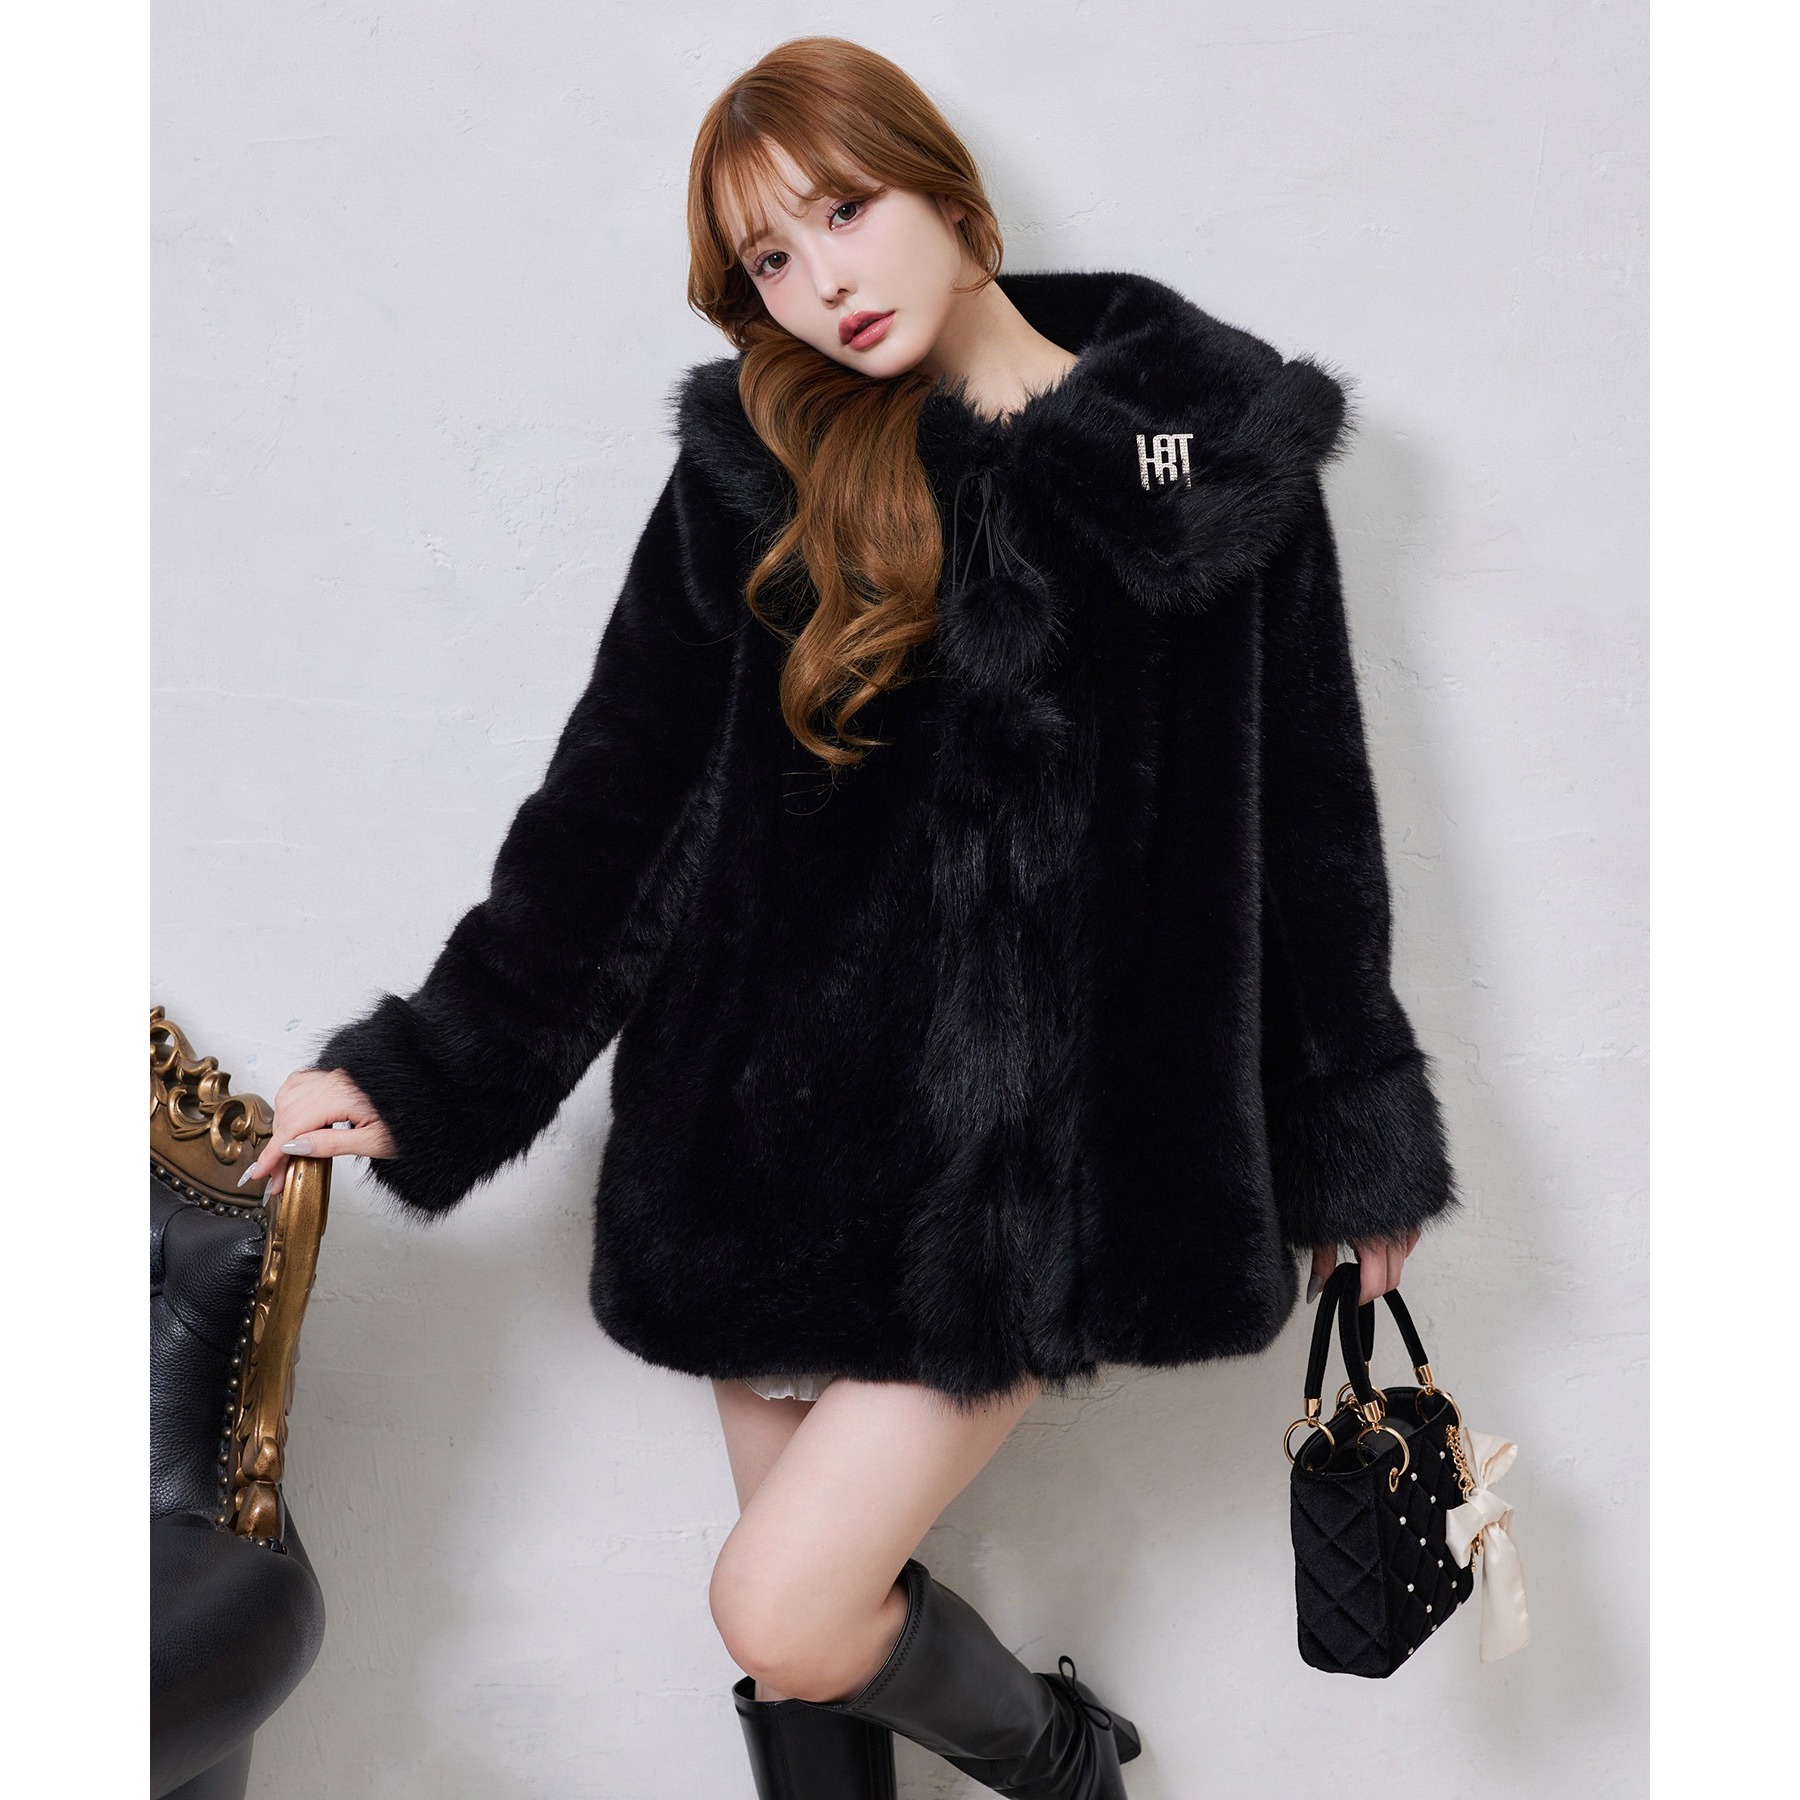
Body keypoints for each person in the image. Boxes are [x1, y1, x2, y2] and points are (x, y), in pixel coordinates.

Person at [241, 36, 1459, 1800]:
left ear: (946, 191)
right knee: (801, 1654)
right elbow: (618, 803)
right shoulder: (766, 461)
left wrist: (1351, 1141)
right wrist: (432, 1067)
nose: (821, 281)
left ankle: (1067, 1765)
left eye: (843, 211)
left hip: (1026, 1180)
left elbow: (1312, 820)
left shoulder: (1203, 463)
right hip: (762, 1136)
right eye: (769, 258)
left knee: (784, 1603)